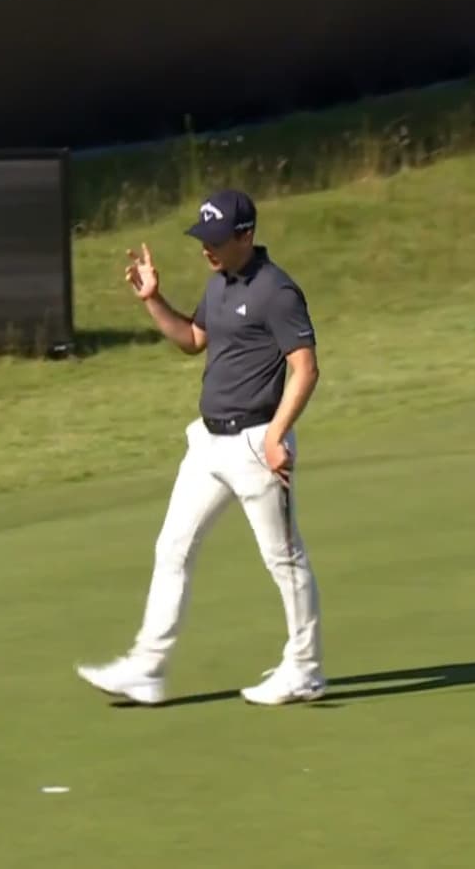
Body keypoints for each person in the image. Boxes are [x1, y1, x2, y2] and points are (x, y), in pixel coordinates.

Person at [76, 189, 327, 706]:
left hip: (258, 443)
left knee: (284, 559)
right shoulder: (219, 285)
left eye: (215, 239)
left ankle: (305, 669)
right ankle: (147, 668)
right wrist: (151, 299)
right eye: (202, 239)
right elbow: (192, 339)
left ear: (245, 235)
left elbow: (306, 368)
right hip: (208, 444)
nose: (206, 248)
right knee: (172, 548)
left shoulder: (277, 291)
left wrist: (279, 434)